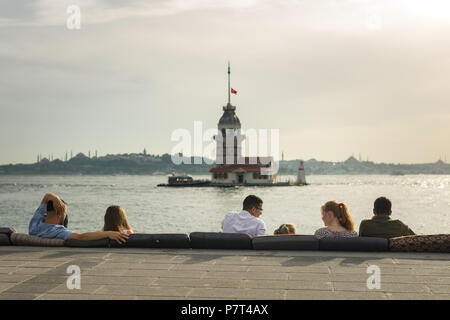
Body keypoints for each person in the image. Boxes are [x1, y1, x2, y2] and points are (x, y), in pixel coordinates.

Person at [29, 193, 128, 243]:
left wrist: (55, 199)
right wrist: (108, 233)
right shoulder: (57, 231)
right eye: (65, 214)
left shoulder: (34, 225)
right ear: (59, 213)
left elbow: (47, 196)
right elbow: (81, 237)